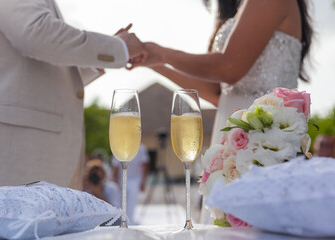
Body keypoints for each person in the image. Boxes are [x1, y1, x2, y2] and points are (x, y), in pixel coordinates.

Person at [130, 0, 313, 223]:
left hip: (266, 147)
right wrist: (155, 63)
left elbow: (228, 68)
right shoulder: (240, 8)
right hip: (230, 145)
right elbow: (219, 92)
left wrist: (160, 52)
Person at [0, 0, 146, 191]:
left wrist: (98, 61)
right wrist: (118, 47)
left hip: (36, 163)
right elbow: (35, 32)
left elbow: (45, 69)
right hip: (14, 159)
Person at [112, 143, 150, 225]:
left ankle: (130, 222)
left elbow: (144, 164)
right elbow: (115, 165)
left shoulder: (141, 148)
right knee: (119, 203)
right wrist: (115, 181)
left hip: (135, 179)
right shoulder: (118, 146)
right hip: (121, 179)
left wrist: (143, 181)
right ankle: (120, 222)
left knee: (131, 204)